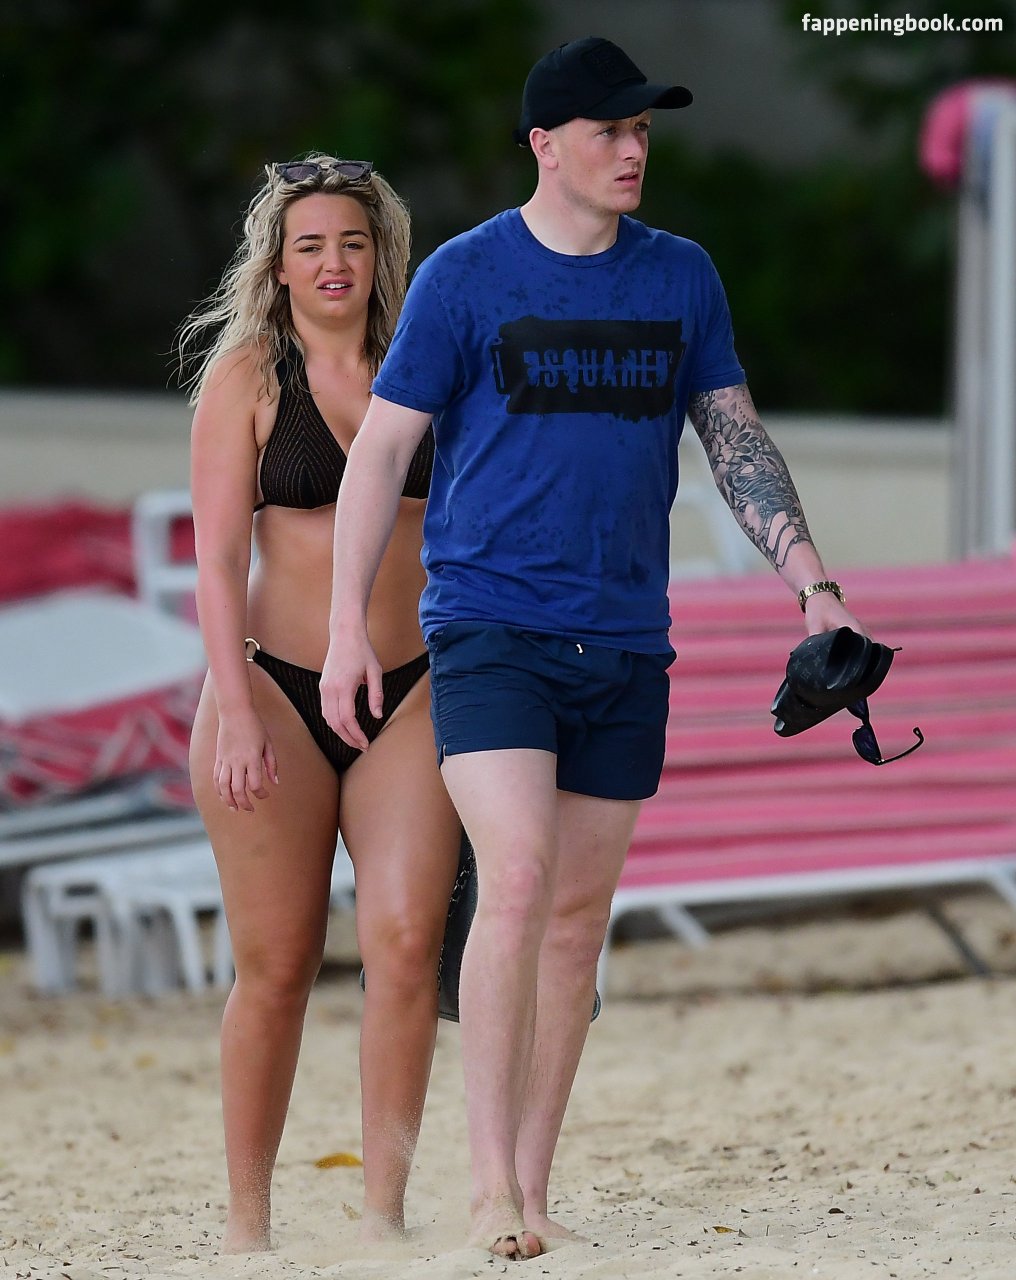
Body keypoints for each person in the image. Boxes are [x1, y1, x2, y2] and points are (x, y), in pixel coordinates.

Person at [319, 37, 864, 1261]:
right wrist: (349, 625)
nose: (631, 150)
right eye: (609, 130)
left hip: (624, 636)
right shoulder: (464, 275)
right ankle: (483, 1191)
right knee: (513, 877)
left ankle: (530, 1182)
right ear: (544, 144)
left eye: (642, 132)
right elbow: (382, 453)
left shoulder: (680, 275)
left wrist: (815, 590)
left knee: (573, 918)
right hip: (489, 625)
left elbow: (734, 439)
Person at [179, 154, 462, 1251]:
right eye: (311, 245)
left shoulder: (427, 361)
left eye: (352, 241)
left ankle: (383, 1215)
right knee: (277, 962)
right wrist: (236, 708)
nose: (334, 261)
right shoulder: (248, 376)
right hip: (272, 690)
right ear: (279, 265)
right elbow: (216, 563)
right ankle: (248, 1226)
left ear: (381, 255)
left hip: (413, 688)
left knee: (404, 941)